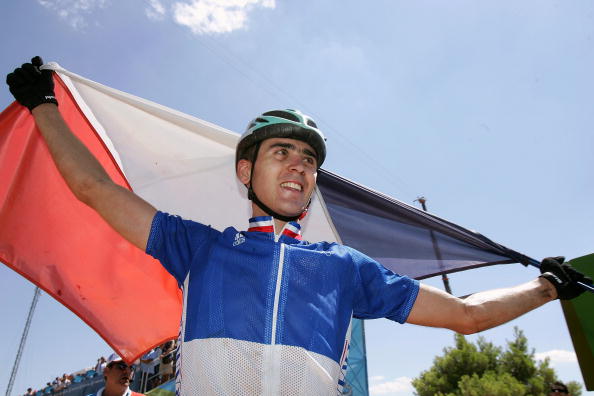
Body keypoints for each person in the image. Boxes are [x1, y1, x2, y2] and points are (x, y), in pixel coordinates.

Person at [5, 57, 592, 395]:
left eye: (308, 159)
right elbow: (94, 190)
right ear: (246, 169)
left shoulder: (347, 269)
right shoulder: (201, 247)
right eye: (281, 151)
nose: (299, 165)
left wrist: (547, 288)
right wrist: (43, 109)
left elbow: (468, 317)